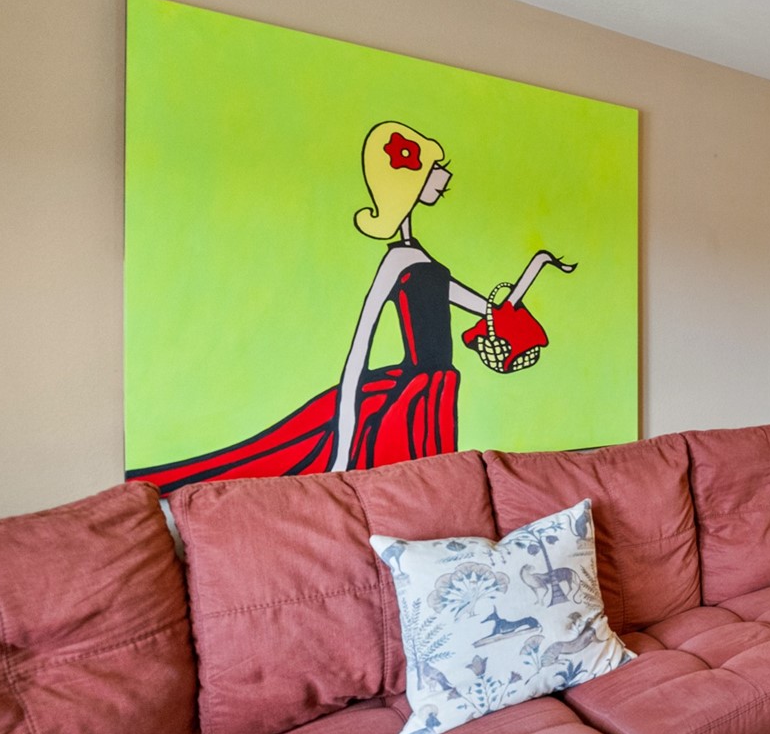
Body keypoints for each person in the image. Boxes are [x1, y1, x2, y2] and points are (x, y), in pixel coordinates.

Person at [128, 122, 568, 492]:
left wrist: (538, 265)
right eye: (437, 169)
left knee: (437, 492)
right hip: (407, 398)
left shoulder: (429, 264)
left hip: (437, 391)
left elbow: (489, 307)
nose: (445, 178)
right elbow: (360, 349)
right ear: (409, 181)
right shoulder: (399, 260)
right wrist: (342, 442)